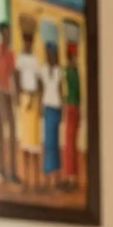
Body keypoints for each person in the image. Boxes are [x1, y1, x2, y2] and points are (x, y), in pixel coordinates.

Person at [13, 13, 40, 192]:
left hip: (34, 100)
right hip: (24, 100)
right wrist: (18, 96)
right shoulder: (21, 59)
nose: (28, 44)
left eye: (30, 41)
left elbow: (38, 81)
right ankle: (25, 179)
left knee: (34, 143)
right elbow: (16, 78)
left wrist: (34, 96)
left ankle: (35, 180)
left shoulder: (35, 60)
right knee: (25, 142)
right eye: (26, 41)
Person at [39, 41, 60, 189]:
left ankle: (55, 178)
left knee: (55, 143)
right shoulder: (44, 69)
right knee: (48, 143)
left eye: (51, 53)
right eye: (48, 53)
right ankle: (47, 177)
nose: (49, 55)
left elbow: (60, 90)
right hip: (47, 107)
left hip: (56, 108)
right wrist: (41, 106)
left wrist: (62, 110)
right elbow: (41, 88)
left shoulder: (59, 71)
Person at [0, 22, 17, 184]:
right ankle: (2, 171)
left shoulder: (11, 54)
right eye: (6, 33)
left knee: (12, 132)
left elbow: (12, 76)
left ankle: (12, 172)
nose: (9, 36)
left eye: (10, 33)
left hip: (7, 95)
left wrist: (14, 96)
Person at [62, 41, 80, 189]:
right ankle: (69, 177)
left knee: (71, 145)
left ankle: (72, 179)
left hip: (73, 109)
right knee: (69, 145)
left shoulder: (72, 72)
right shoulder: (70, 71)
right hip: (71, 109)